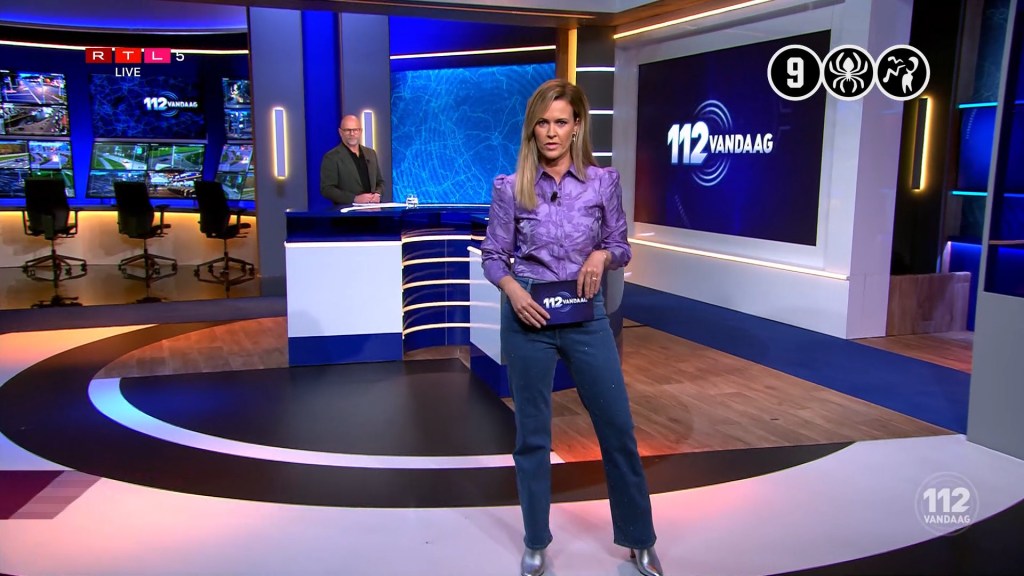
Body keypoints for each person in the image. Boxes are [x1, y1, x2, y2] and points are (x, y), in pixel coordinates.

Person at [481, 79, 663, 576]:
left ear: (577, 126)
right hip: (529, 315)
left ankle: (639, 538)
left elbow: (621, 245)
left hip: (586, 316)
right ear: (532, 129)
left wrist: (602, 256)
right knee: (532, 436)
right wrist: (513, 290)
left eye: (561, 122)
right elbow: (493, 255)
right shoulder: (509, 187)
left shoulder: (603, 182)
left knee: (617, 428)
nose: (551, 132)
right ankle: (535, 541)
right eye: (542, 122)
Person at [319, 115, 385, 205]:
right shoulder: (331, 157)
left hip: (373, 209)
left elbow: (380, 182)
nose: (352, 133)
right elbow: (327, 189)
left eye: (355, 130)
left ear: (360, 131)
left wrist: (378, 194)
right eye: (347, 130)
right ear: (340, 132)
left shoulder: (371, 153)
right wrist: (354, 199)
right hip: (348, 211)